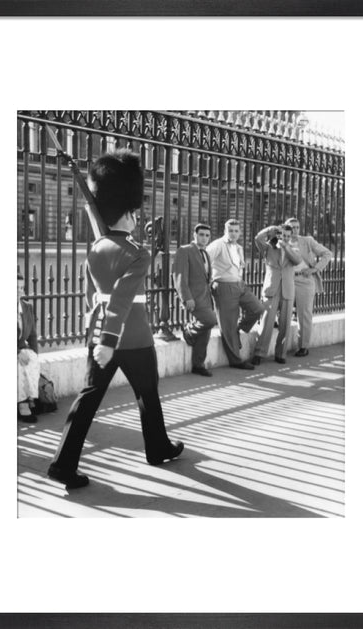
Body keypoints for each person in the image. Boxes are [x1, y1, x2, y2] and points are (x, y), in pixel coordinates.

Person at [48, 150, 183, 489]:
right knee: (147, 394)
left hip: (99, 337)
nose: (138, 217)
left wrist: (100, 336)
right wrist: (110, 341)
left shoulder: (96, 248)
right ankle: (157, 446)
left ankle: (63, 464)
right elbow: (122, 300)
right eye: (134, 213)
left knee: (88, 399)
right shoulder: (139, 252)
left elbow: (94, 293)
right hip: (133, 338)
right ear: (127, 213)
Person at [206, 218, 264, 370]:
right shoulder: (218, 244)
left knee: (257, 308)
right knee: (228, 324)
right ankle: (235, 360)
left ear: (240, 232)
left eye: (236, 231)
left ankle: (239, 328)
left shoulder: (238, 247)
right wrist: (209, 279)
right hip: (224, 286)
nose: (233, 233)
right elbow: (204, 259)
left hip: (239, 285)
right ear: (225, 231)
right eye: (230, 230)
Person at [252, 224, 302, 365]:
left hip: (287, 290)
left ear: (290, 236)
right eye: (281, 235)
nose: (284, 237)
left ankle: (281, 353)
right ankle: (259, 352)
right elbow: (257, 238)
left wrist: (285, 246)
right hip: (271, 290)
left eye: (287, 235)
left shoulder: (294, 249)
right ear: (277, 235)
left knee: (285, 323)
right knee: (267, 322)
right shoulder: (268, 248)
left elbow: (297, 261)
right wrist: (270, 230)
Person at [172, 223, 217, 377]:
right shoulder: (185, 250)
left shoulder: (206, 253)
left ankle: (198, 365)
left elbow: (205, 277)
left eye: (207, 235)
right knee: (210, 321)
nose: (204, 238)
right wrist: (186, 298)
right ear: (194, 235)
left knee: (206, 332)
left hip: (206, 297)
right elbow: (179, 276)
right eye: (201, 235)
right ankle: (189, 332)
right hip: (193, 298)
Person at [285, 217, 333, 357]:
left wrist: (315, 269)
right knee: (282, 309)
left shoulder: (307, 241)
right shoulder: (282, 241)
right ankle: (280, 345)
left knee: (304, 314)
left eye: (297, 227)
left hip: (304, 280)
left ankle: (303, 346)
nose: (295, 230)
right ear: (286, 228)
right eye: (291, 227)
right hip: (287, 279)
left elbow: (327, 253)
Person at [17, 273, 40, 423]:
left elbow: (32, 334)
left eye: (21, 287)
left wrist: (35, 354)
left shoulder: (27, 307)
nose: (20, 291)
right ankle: (22, 404)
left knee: (31, 359)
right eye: (15, 288)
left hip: (21, 348)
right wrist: (17, 352)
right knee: (18, 365)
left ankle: (30, 397)